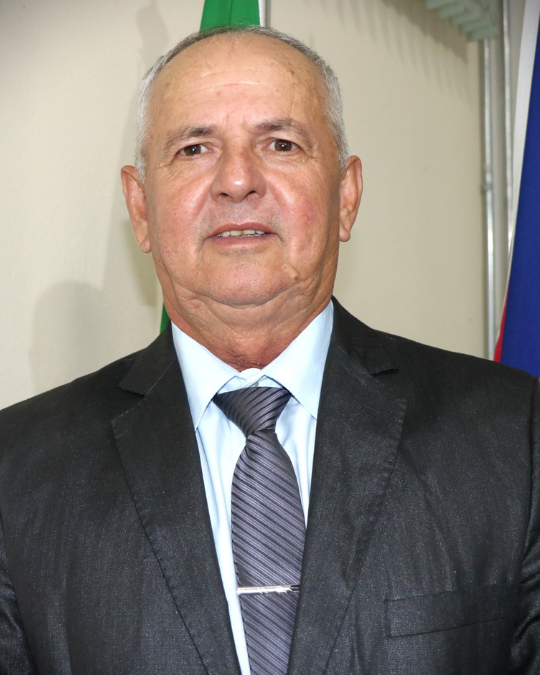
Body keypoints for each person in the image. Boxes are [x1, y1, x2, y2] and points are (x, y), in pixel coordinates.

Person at [0, 25, 539, 675]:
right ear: (140, 209)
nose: (236, 180)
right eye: (195, 148)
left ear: (346, 196)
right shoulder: (16, 471)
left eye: (280, 144)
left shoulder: (515, 436)